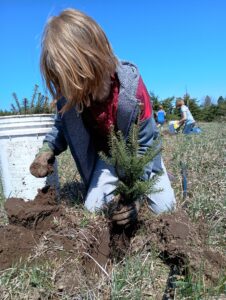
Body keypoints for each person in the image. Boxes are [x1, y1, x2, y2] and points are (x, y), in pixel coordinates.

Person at [30, 9, 176, 225]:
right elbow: (62, 126)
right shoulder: (71, 95)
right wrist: (47, 150)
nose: (74, 94)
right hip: (106, 159)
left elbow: (146, 143)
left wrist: (133, 196)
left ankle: (160, 173)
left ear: (94, 61)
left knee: (164, 208)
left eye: (77, 84)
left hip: (139, 157)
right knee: (94, 208)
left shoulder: (132, 91)